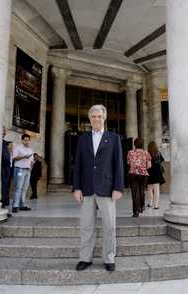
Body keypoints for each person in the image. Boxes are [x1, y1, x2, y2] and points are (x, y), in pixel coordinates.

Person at [73, 104, 124, 272]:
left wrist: (118, 187)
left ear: (104, 118)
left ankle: (109, 258)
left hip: (107, 188)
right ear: (89, 119)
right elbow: (78, 165)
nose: (96, 119)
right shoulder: (82, 139)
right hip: (87, 189)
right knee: (86, 226)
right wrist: (76, 188)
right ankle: (85, 258)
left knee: (109, 226)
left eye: (99, 116)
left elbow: (118, 165)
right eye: (93, 116)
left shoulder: (114, 138)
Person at [127, 137, 151, 217]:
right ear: (142, 144)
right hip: (143, 174)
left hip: (133, 174)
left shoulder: (130, 152)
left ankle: (135, 212)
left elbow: (128, 163)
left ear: (134, 144)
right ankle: (142, 206)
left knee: (134, 193)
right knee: (142, 190)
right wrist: (142, 167)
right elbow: (149, 166)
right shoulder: (146, 153)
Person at [12, 134, 33, 213]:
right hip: (19, 170)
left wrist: (31, 166)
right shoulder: (18, 148)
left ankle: (22, 205)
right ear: (22, 140)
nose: (26, 141)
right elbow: (15, 158)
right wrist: (24, 157)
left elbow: (31, 160)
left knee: (25, 188)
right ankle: (15, 206)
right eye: (25, 140)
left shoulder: (30, 150)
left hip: (28, 170)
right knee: (18, 188)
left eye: (28, 140)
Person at [147, 141, 165, 209]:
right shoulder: (158, 153)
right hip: (157, 173)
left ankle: (150, 203)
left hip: (149, 172)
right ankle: (156, 205)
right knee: (156, 190)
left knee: (149, 189)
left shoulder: (147, 153)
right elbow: (162, 161)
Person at [1, 127, 11, 208]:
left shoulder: (4, 142)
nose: (4, 133)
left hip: (5, 170)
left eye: (5, 131)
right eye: (3, 131)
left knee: (5, 188)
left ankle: (3, 206)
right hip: (2, 169)